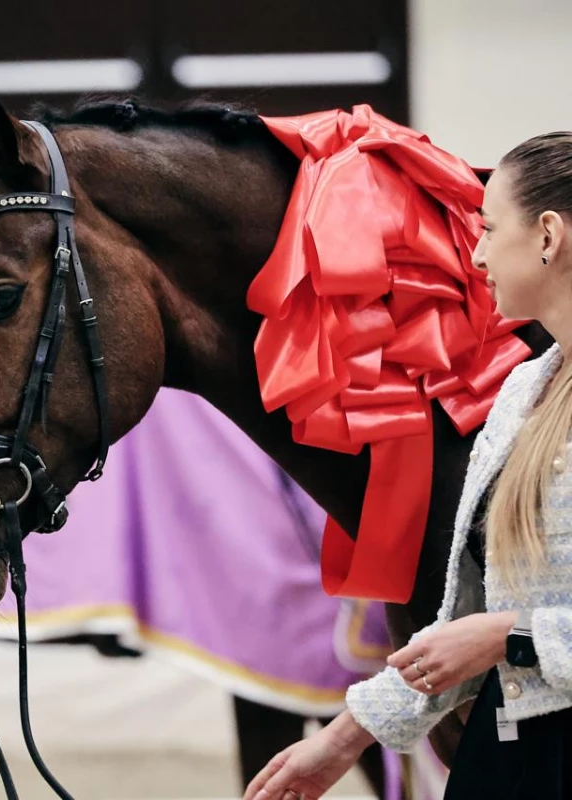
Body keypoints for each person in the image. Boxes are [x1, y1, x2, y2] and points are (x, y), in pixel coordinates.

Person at [245, 132, 572, 800]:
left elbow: (488, 632)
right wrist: (341, 740)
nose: (476, 254)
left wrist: (509, 637)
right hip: (511, 747)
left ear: (548, 235)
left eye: (487, 228)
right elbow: (464, 624)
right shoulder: (522, 391)